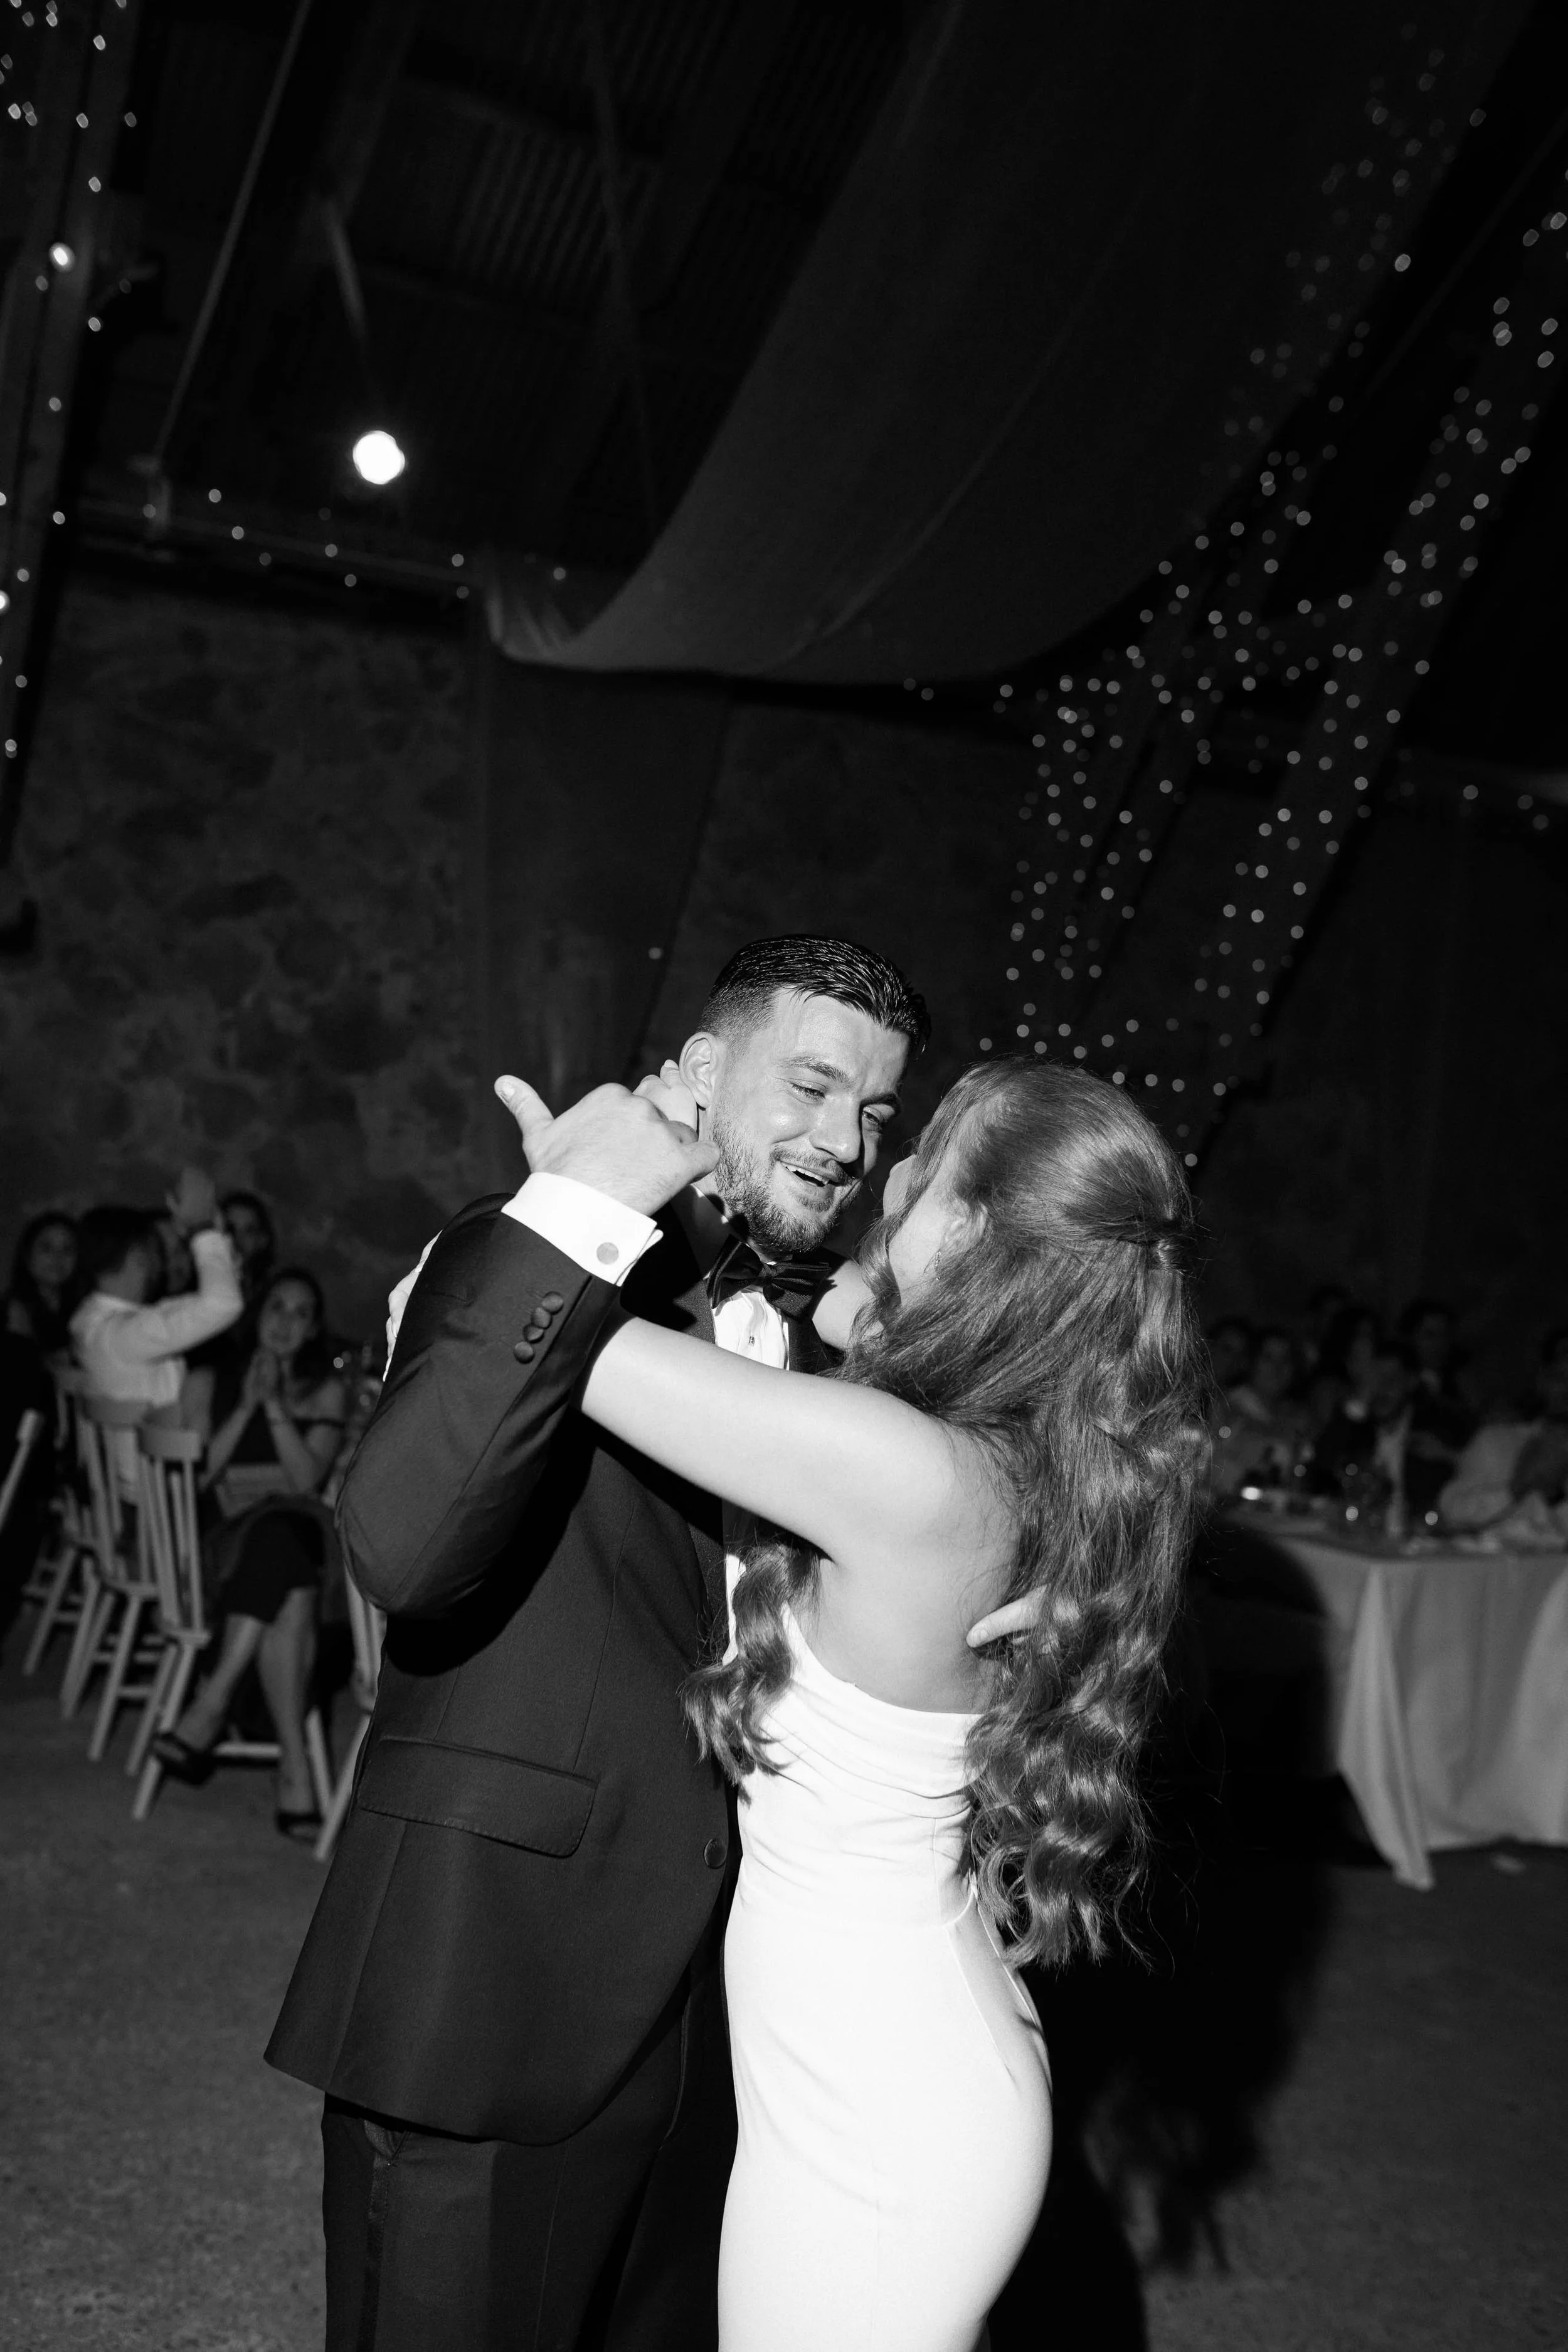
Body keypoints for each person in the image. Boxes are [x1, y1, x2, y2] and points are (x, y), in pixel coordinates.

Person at [267, 935, 930, 2352]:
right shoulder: (511, 1253)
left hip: (717, 2007)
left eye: (876, 1115)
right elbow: (404, 1550)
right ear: (697, 1073)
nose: (844, 1144)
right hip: (492, 1977)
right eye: (811, 1087)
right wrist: (570, 1213)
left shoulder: (820, 1329)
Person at [548, 1053, 1205, 2352]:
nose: (877, 1182)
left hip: (883, 2104)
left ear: (962, 1227)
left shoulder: (902, 1470)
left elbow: (541, 1341)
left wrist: (587, 1178)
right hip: (904, 2035)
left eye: (917, 1171)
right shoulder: (1024, 1441)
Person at [151, 1267, 347, 1831]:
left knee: (283, 1536)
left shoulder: (324, 1389)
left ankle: (211, 1704)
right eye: (276, 1309)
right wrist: (244, 1407)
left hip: (301, 1542)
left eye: (301, 1313)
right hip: (226, 1553)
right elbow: (199, 1477)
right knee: (284, 1573)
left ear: (313, 1330)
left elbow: (307, 1481)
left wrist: (277, 1408)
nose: (286, 1323)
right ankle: (296, 1767)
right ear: (256, 1315)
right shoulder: (208, 1381)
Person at [70, 1173, 242, 1491]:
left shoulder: (88, 1319)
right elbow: (222, 1305)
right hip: (156, 1504)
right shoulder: (122, 1334)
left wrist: (216, 1240)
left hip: (123, 1489)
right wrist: (203, 1229)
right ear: (139, 1257)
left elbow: (182, 1311)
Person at [1439, 1327, 1568, 1534]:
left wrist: (1555, 1496)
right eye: (1561, 1377)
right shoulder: (1495, 1441)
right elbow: (1452, 1513)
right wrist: (1516, 1489)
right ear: (1543, 1380)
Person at [1310, 1337, 1417, 1515]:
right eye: (1377, 1379)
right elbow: (1320, 1468)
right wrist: (1359, 1402)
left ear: (1410, 1381)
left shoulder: (1431, 1428)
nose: (1383, 1388)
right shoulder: (1356, 1424)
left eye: (1392, 1379)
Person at [1211, 1325, 1310, 1496]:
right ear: (1251, 1363)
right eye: (1268, 1358)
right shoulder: (1228, 1406)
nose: (1277, 1368)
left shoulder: (1294, 1414)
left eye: (1285, 1360)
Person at [4, 1210, 80, 1360]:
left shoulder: (83, 1305)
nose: (58, 1258)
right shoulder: (16, 1309)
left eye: (67, 1250)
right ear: (27, 1255)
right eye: (47, 1249)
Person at [1205, 1313, 1253, 1392]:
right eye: (1226, 1349)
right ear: (1209, 1345)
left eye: (1239, 1355)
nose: (1232, 1360)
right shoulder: (1185, 1386)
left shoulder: (1237, 1398)